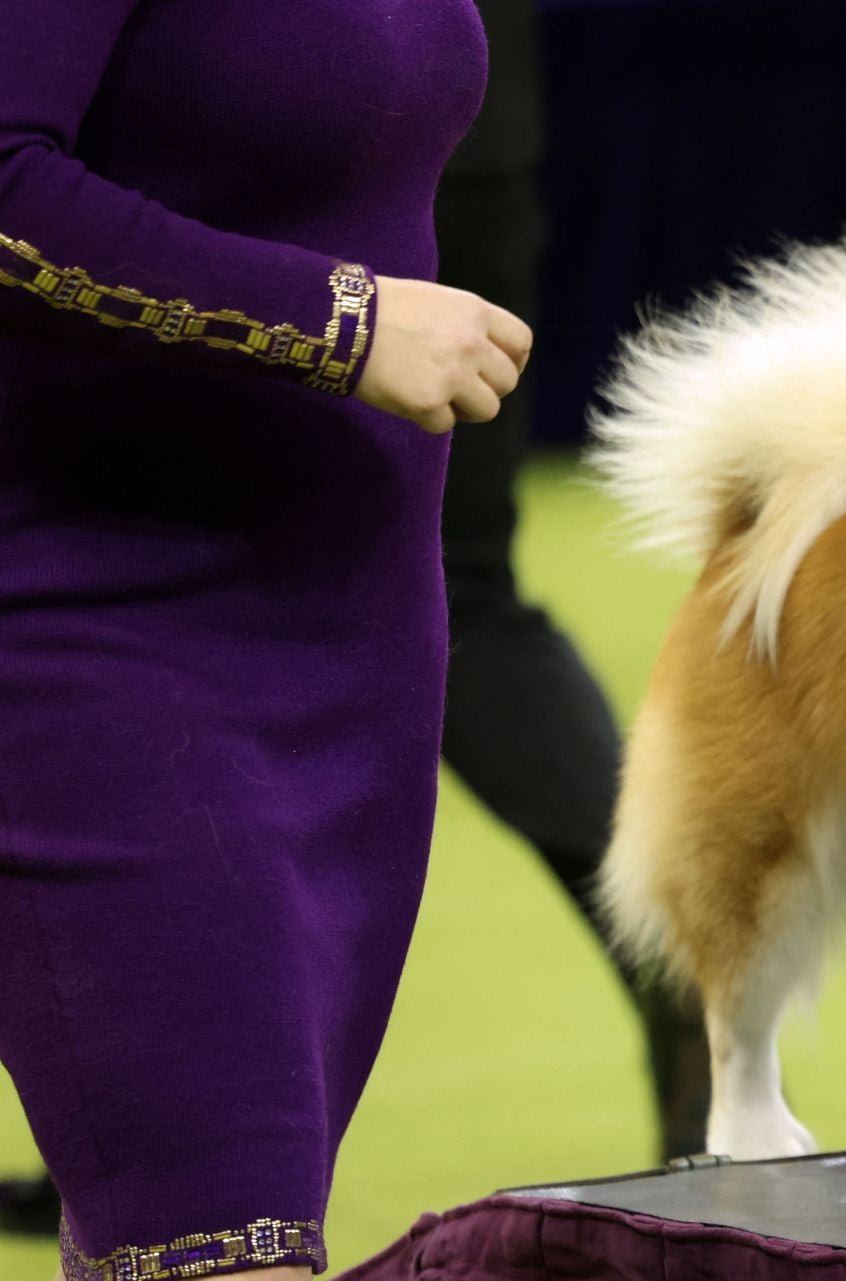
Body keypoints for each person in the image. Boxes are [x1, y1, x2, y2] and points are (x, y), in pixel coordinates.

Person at [0, 4, 529, 1278]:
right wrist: (334, 319)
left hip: (353, 632)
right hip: (83, 611)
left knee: (199, 1232)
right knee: (218, 1241)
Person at [432, 0, 710, 1161]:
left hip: (292, 146)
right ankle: (680, 951)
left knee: (453, 603)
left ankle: (680, 951)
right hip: (452, 111)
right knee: (458, 602)